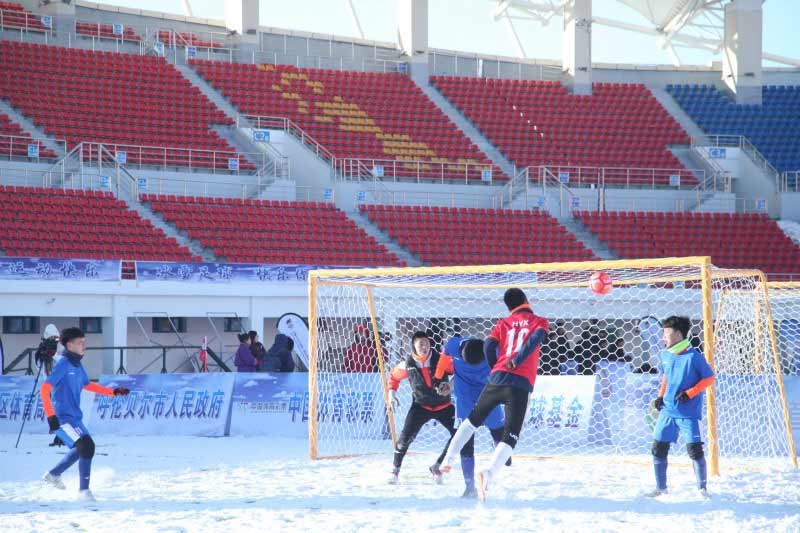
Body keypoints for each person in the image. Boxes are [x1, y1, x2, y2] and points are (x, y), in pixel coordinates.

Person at [439, 288, 549, 501]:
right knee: (511, 436)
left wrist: (494, 367)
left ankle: (448, 460)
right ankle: (488, 473)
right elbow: (535, 339)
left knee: (471, 420)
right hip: (519, 384)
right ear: (526, 300)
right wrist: (517, 360)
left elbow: (488, 346)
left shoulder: (503, 323)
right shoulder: (539, 321)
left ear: (509, 307)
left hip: (496, 378)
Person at [40, 327, 130, 501]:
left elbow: (87, 384)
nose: (84, 345)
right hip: (62, 418)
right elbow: (44, 389)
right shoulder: (63, 365)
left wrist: (113, 392)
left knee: (81, 448)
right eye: (80, 342)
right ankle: (84, 492)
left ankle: (54, 474)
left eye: (84, 342)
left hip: (75, 417)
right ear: (69, 345)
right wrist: (51, 416)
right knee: (87, 446)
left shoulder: (77, 365)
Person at [647, 316, 715, 498]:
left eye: (666, 333)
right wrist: (660, 395)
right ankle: (661, 488)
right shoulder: (665, 355)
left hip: (688, 413)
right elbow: (666, 377)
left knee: (695, 451)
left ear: (678, 334)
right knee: (658, 448)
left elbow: (709, 378)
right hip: (668, 411)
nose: (663, 336)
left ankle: (702, 490)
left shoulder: (694, 357)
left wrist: (690, 393)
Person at [434, 335, 508, 498]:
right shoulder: (453, 345)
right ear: (460, 353)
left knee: (499, 433)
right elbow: (443, 361)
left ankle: (500, 451)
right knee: (466, 444)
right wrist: (438, 379)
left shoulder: (494, 350)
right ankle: (469, 486)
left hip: (488, 396)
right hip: (465, 400)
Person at [386, 331, 456, 485]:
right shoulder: (407, 364)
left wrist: (450, 385)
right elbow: (393, 377)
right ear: (413, 347)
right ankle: (395, 470)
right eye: (421, 344)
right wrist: (391, 395)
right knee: (404, 440)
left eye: (427, 343)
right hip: (420, 406)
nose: (425, 347)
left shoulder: (441, 360)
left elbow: (461, 370)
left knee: (459, 435)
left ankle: (437, 466)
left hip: (444, 406)